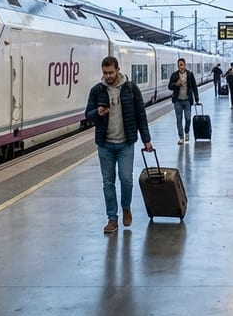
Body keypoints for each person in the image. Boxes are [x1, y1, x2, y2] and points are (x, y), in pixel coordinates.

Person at [86, 56, 153, 234]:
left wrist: (146, 139)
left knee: (126, 180)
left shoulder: (131, 89)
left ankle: (126, 207)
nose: (108, 76)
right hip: (105, 144)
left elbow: (141, 115)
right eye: (105, 73)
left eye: (111, 72)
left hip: (125, 143)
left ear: (117, 70)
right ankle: (112, 219)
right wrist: (97, 113)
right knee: (108, 183)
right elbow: (88, 114)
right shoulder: (97, 90)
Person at [168, 58, 200, 144]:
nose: (180, 66)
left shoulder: (189, 75)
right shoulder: (174, 75)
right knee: (179, 119)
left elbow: (194, 87)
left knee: (188, 118)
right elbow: (169, 86)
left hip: (187, 100)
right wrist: (176, 84)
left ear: (185, 65)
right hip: (177, 100)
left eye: (181, 65)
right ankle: (181, 137)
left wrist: (196, 99)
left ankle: (187, 132)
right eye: (179, 65)